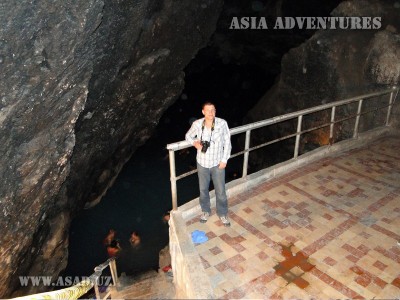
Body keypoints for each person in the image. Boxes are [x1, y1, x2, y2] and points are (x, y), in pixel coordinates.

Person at [185, 102, 232, 227]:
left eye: (213, 110)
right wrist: (194, 143)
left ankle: (222, 213)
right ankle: (205, 211)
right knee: (203, 190)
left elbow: (227, 143)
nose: (211, 113)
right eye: (208, 110)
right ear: (203, 112)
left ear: (215, 111)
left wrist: (224, 160)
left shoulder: (222, 123)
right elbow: (187, 136)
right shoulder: (197, 124)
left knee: (221, 191)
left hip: (217, 163)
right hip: (202, 163)